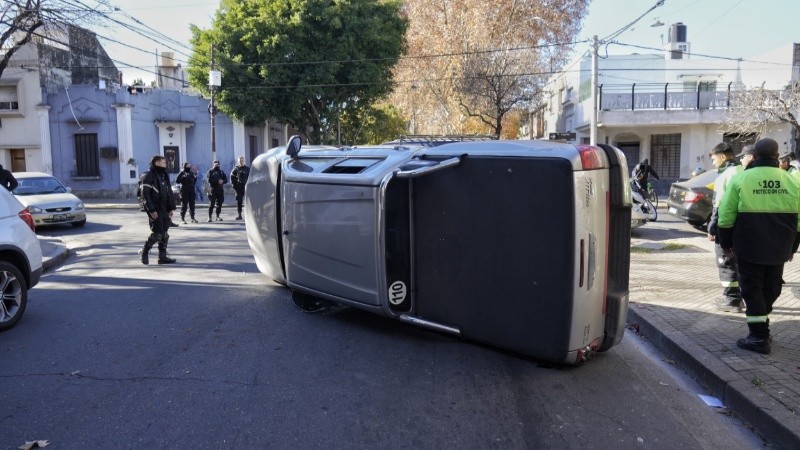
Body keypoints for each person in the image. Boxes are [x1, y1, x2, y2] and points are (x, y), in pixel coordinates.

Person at [717, 138, 800, 354]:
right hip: (780, 245)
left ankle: (758, 336)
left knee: (752, 288)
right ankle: (762, 325)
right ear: (776, 155)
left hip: (748, 244)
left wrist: (725, 242)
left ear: (755, 156)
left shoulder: (742, 179)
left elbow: (725, 216)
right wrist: (793, 247)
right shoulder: (792, 181)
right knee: (771, 287)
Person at [706, 142, 743, 312]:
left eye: (714, 159)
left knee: (725, 261)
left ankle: (731, 300)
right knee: (739, 262)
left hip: (727, 225)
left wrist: (712, 228)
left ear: (722, 156)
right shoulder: (743, 170)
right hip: (743, 225)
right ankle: (740, 297)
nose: (713, 162)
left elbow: (719, 204)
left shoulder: (725, 174)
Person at [139, 155, 177, 265]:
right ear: (156, 163)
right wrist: (151, 210)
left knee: (165, 234)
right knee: (158, 234)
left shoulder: (163, 175)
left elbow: (168, 193)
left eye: (165, 162)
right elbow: (145, 195)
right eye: (163, 162)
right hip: (155, 208)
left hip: (164, 208)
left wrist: (170, 208)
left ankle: (162, 257)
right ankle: (144, 251)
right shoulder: (148, 175)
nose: (165, 163)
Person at [230, 156, 250, 220]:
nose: (241, 162)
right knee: (239, 202)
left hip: (246, 187)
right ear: (238, 162)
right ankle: (239, 215)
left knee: (248, 202)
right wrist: (234, 186)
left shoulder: (247, 169)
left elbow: (251, 177)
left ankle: (249, 215)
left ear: (244, 161)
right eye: (240, 161)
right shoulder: (235, 169)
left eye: (242, 161)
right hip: (238, 188)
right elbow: (232, 178)